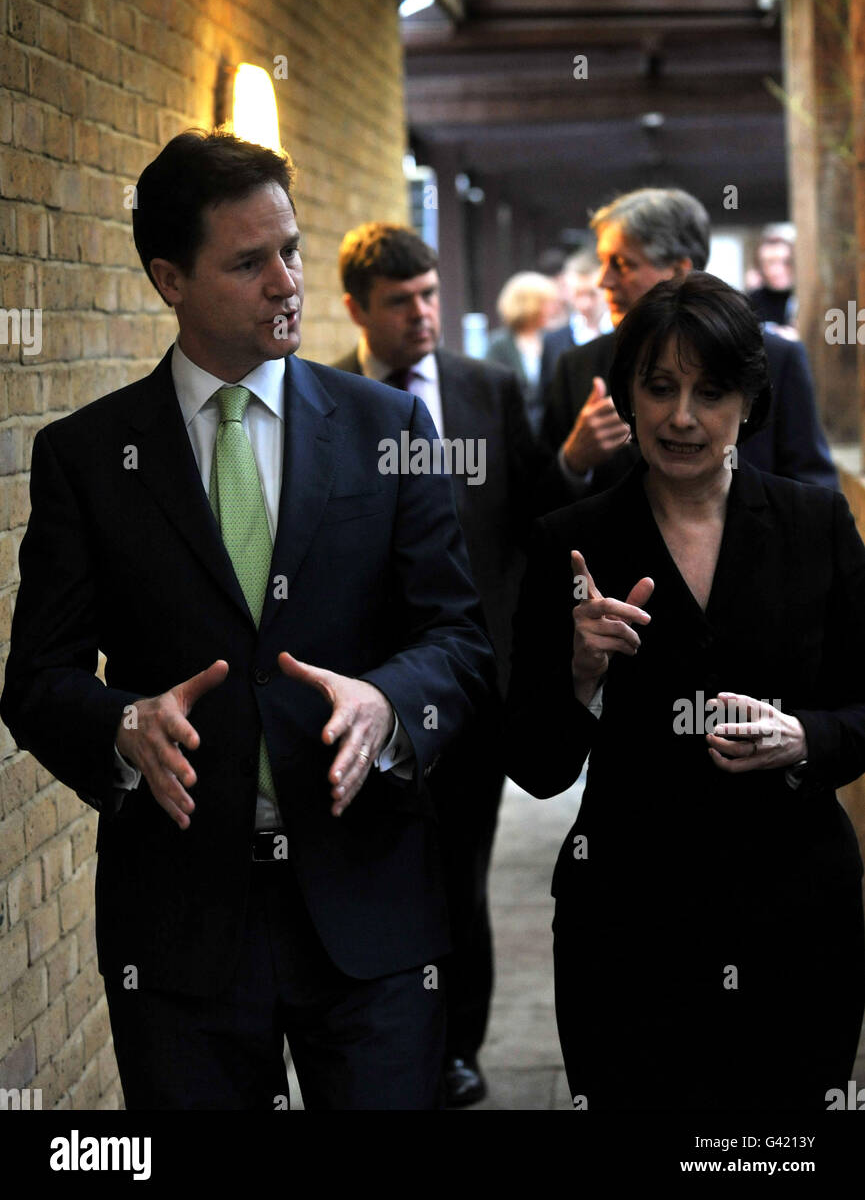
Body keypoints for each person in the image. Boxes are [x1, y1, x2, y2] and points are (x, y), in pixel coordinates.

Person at [0, 131, 496, 1112]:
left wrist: (387, 702)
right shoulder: (88, 458)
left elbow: (461, 642)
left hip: (373, 908)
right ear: (168, 277)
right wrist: (120, 726)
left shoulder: (388, 429)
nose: (287, 282)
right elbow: (38, 678)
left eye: (293, 249)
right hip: (179, 927)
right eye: (249, 261)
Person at [504, 273, 865, 1110]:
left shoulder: (816, 525)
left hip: (794, 913)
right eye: (658, 388)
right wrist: (580, 673)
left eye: (709, 391)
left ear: (748, 399)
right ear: (625, 393)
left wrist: (806, 739)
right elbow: (534, 762)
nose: (680, 417)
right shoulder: (570, 543)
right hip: (628, 921)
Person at [334, 221, 567, 1106]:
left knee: (460, 878)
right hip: (356, 692)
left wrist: (575, 463)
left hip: (470, 688)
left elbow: (537, 518)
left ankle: (456, 1051)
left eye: (431, 295)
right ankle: (384, 1045)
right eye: (401, 302)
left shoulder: (488, 389)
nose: (423, 314)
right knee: (374, 877)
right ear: (358, 308)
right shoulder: (318, 392)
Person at [543, 188, 837, 495]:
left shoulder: (775, 359)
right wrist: (572, 461)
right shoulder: (577, 367)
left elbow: (813, 485)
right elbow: (532, 511)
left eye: (623, 264)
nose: (604, 281)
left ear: (679, 270)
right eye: (659, 389)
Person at [485, 271, 559, 434]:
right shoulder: (500, 345)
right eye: (546, 303)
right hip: (512, 433)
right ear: (530, 305)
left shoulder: (553, 340)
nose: (553, 309)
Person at [540, 250, 613, 395]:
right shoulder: (554, 341)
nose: (585, 304)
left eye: (592, 294)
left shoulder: (623, 334)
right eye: (578, 294)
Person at [747, 230, 798, 335]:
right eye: (770, 263)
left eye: (785, 262)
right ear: (759, 266)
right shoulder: (751, 302)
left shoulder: (803, 297)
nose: (777, 270)